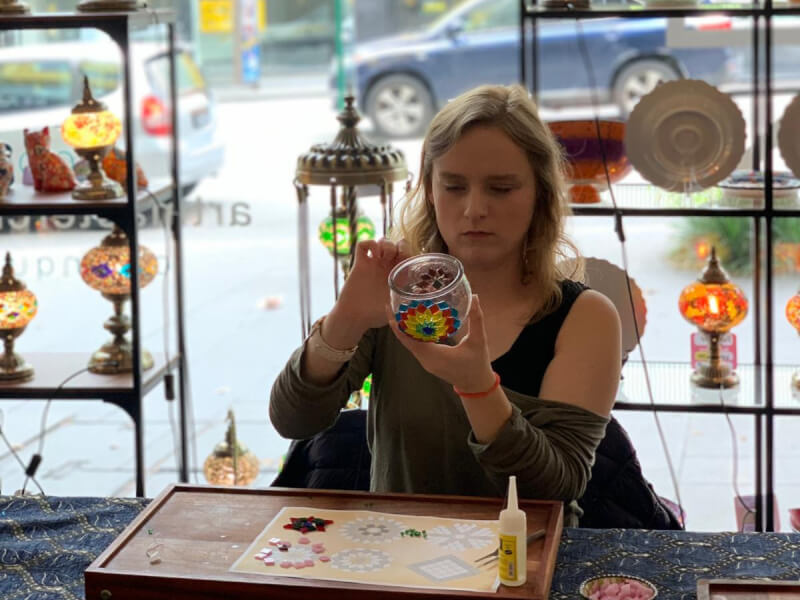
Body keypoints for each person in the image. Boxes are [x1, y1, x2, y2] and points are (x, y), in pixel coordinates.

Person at [270, 83, 622, 527]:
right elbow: (293, 419)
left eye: (501, 188)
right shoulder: (400, 295)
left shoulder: (585, 318)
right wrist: (345, 320)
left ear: (541, 194)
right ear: (430, 191)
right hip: (399, 563)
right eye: (454, 186)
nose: (475, 209)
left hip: (522, 570)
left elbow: (556, 486)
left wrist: (479, 388)